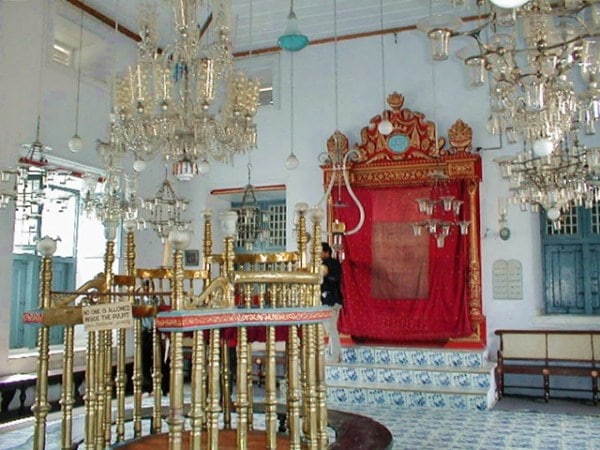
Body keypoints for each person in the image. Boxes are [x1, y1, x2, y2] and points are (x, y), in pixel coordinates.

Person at [137, 279, 170, 396]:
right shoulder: (139, 300)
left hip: (156, 332)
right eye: (145, 287)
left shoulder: (157, 299)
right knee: (144, 360)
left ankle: (164, 387)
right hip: (145, 332)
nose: (147, 290)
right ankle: (147, 388)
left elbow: (162, 313)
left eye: (150, 287)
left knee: (160, 360)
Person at [320, 242, 343, 362]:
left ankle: (334, 356)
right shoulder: (336, 263)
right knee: (333, 329)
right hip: (336, 300)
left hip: (329, 300)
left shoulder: (326, 265)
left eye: (320, 250)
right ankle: (334, 354)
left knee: (331, 330)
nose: (318, 253)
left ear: (326, 251)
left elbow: (331, 279)